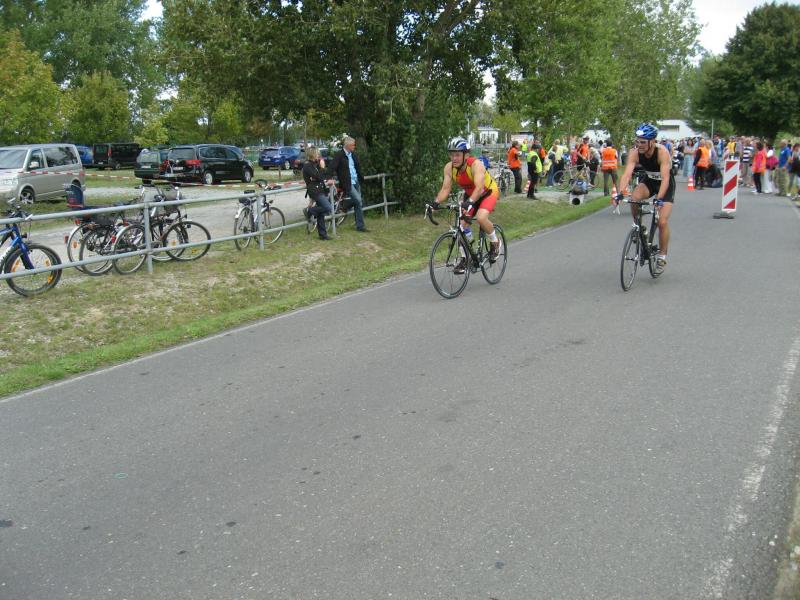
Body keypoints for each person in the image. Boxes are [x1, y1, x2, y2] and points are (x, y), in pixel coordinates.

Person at [433, 137, 502, 273]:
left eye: (457, 155)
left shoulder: (476, 165)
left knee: (481, 217)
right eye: (452, 155)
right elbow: (445, 189)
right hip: (471, 195)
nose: (454, 158)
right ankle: (466, 257)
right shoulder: (449, 168)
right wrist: (435, 203)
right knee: (461, 226)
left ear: (466, 155)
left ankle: (495, 242)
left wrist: (469, 203)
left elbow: (479, 188)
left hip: (487, 192)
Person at [615, 123, 674, 274]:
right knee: (634, 196)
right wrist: (620, 192)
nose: (639, 144)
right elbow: (627, 174)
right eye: (637, 141)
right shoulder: (634, 152)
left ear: (652, 141)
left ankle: (662, 256)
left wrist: (659, 199)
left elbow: (666, 179)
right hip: (649, 181)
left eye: (643, 142)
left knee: (662, 221)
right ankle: (638, 226)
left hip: (665, 185)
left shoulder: (662, 152)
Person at [327, 136, 368, 232]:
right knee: (358, 200)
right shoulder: (339, 155)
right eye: (353, 145)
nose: (354, 146)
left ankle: (360, 226)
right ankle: (345, 206)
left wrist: (361, 177)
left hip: (356, 181)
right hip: (347, 183)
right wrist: (329, 178)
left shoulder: (353, 154)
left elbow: (357, 167)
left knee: (358, 203)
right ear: (348, 145)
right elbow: (332, 167)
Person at [301, 147, 333, 240]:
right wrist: (322, 168)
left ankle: (322, 234)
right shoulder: (307, 166)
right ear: (313, 155)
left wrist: (323, 173)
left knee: (320, 214)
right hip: (315, 191)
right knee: (328, 207)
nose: (319, 156)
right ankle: (309, 210)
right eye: (317, 154)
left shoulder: (315, 164)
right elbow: (319, 177)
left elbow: (322, 176)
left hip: (320, 189)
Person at [601, 140, 619, 206]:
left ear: (606, 144)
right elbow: (616, 157)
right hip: (613, 167)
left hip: (605, 167)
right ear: (611, 144)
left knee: (606, 181)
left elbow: (602, 157)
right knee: (615, 181)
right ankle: (617, 192)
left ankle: (606, 193)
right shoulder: (614, 150)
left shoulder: (603, 150)